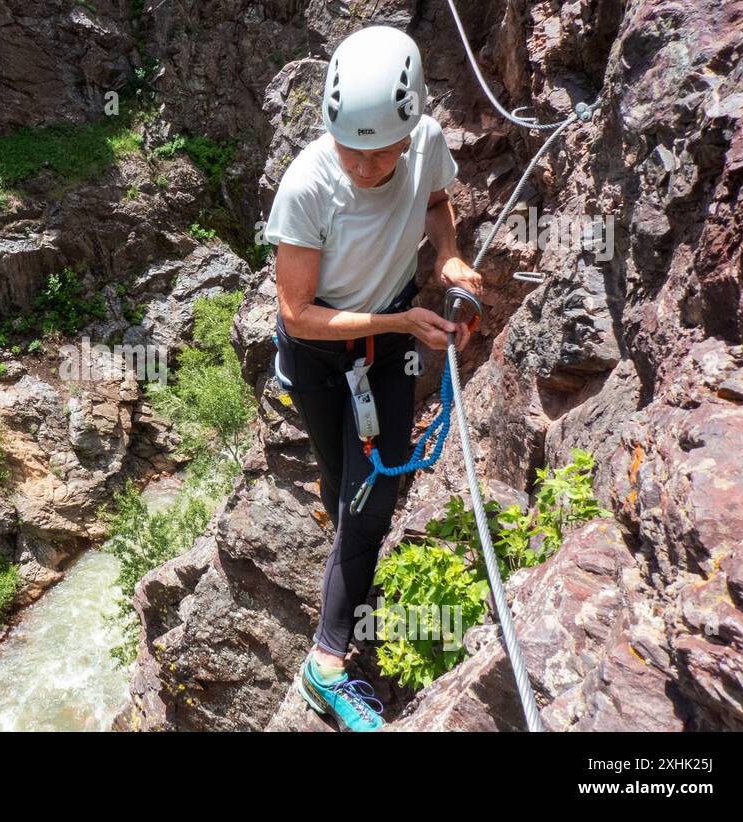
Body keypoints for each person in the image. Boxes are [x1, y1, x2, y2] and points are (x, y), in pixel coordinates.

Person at [264, 25, 481, 731]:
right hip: (323, 358)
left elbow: (437, 200)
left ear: (411, 123)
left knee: (374, 486)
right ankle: (349, 554)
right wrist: (398, 323)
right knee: (349, 482)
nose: (363, 164)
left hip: (386, 343)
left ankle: (324, 664)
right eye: (351, 148)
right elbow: (296, 315)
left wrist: (448, 256)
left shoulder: (423, 143)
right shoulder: (307, 185)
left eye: (380, 150)